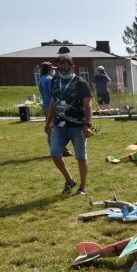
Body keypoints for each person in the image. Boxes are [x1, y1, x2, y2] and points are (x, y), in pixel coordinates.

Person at [43, 54, 93, 195]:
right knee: (55, 154)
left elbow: (88, 105)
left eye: (65, 69)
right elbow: (53, 102)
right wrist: (49, 122)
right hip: (59, 126)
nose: (62, 72)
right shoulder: (55, 80)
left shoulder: (81, 83)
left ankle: (83, 186)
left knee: (81, 157)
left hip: (78, 126)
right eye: (59, 70)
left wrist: (87, 125)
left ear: (73, 68)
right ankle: (69, 180)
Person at [38, 61, 72, 156]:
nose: (54, 70)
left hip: (45, 105)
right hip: (53, 105)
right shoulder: (49, 79)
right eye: (52, 69)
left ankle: (56, 148)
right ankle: (60, 149)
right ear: (49, 69)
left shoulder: (41, 79)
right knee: (59, 127)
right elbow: (55, 93)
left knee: (50, 126)